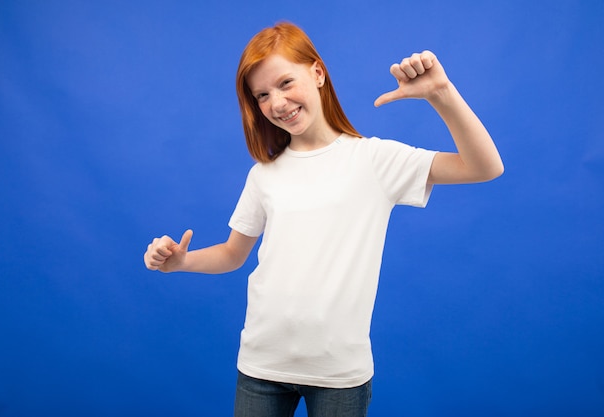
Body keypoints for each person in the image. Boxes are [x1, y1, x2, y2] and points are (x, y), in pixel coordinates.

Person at [144, 21, 503, 417]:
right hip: (262, 365)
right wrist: (181, 262)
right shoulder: (264, 174)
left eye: (284, 83)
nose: (277, 103)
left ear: (317, 73)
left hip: (339, 373)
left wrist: (441, 94)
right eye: (262, 95)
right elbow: (232, 253)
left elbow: (484, 166)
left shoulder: (374, 160)